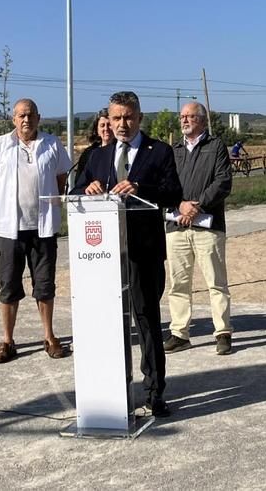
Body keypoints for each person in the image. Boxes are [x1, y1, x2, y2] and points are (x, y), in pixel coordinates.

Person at [73, 91, 182, 417]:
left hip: (143, 252)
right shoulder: (98, 156)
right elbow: (76, 190)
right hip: (103, 255)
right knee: (108, 322)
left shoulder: (159, 151)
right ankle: (115, 390)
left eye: (128, 118)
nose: (121, 124)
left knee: (146, 321)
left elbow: (173, 193)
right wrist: (86, 189)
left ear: (139, 118)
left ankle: (154, 392)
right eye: (116, 118)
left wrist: (140, 189)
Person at [0, 98, 73, 364]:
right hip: (9, 230)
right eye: (21, 115)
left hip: (43, 228)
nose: (26, 120)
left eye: (30, 115)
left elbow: (60, 179)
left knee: (45, 285)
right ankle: (7, 341)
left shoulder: (52, 144)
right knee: (9, 286)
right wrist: (6, 206)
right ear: (13, 119)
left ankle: (49, 336)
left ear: (38, 117)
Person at [162, 102, 234, 355]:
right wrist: (179, 206)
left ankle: (223, 332)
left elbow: (223, 181)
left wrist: (198, 205)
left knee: (216, 282)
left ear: (202, 120)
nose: (184, 121)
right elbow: (165, 183)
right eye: (182, 117)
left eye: (190, 116)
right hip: (177, 226)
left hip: (208, 226)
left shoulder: (216, 147)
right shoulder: (174, 150)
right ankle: (180, 333)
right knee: (178, 284)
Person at [75, 109, 112, 178]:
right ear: (97, 130)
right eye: (102, 125)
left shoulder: (125, 151)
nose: (106, 129)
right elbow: (79, 183)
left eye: (109, 125)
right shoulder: (88, 154)